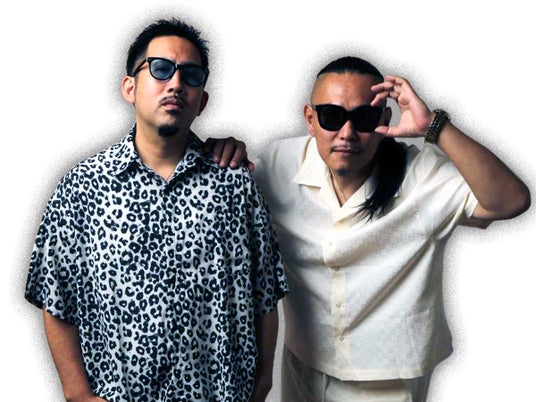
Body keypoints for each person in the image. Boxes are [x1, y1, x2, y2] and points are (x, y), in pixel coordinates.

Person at [24, 18, 288, 402]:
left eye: (191, 75)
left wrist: (263, 382)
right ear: (130, 87)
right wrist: (77, 392)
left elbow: (264, 294)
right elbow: (55, 295)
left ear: (202, 100)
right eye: (161, 69)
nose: (176, 84)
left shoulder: (235, 186)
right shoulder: (82, 188)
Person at [248, 56, 531, 401]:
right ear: (310, 119)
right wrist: (223, 148)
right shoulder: (278, 164)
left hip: (386, 379)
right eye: (332, 117)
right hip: (304, 365)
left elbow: (510, 201)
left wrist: (435, 127)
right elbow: (227, 192)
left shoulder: (420, 176)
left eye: (364, 119)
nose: (347, 133)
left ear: (384, 120)